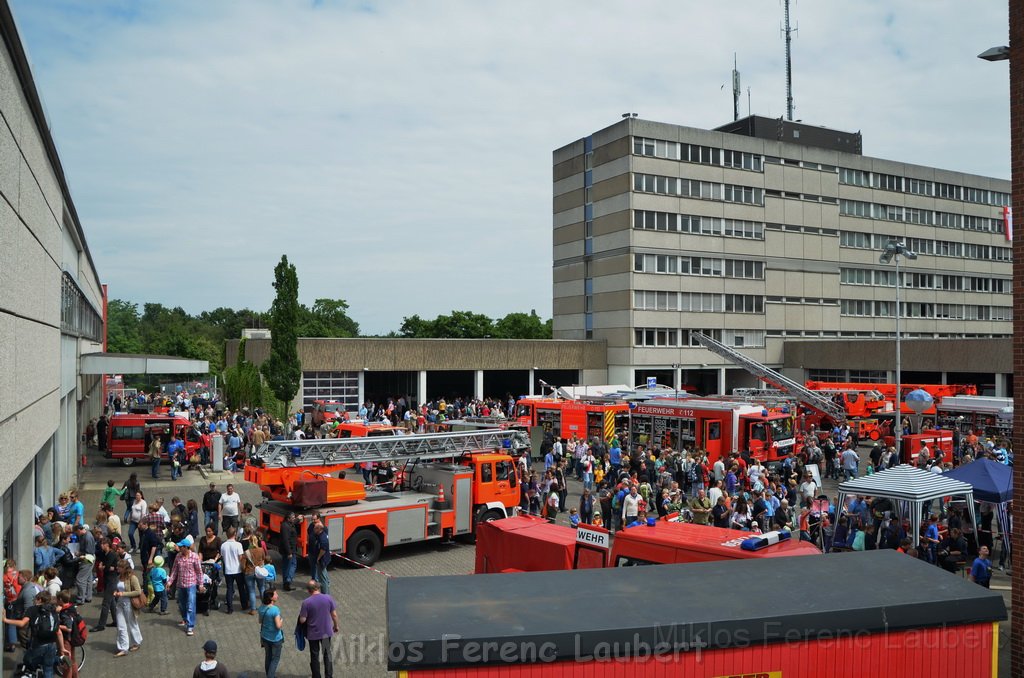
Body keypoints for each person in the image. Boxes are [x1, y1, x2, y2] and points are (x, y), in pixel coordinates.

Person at [1, 589, 68, 678]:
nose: (34, 600)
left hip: (39, 644)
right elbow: (58, 632)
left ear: (39, 599)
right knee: (48, 668)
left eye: (35, 598)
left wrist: (6, 620)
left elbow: (22, 623)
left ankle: (55, 660)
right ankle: (59, 659)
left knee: (27, 659)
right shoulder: (52, 610)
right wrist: (62, 648)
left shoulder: (32, 609)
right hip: (52, 644)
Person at [298, 579, 339, 678]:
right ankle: (328, 675)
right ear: (318, 587)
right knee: (327, 654)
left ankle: (316, 676)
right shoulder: (328, 598)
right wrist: (336, 625)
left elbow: (302, 620)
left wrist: (301, 617)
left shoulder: (306, 602)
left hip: (313, 634)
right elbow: (334, 615)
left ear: (308, 590)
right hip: (326, 632)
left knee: (314, 655)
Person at [167, 536, 205, 636]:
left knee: (191, 605)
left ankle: (190, 626)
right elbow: (174, 571)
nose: (179, 548)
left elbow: (199, 572)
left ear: (186, 547)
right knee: (182, 605)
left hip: (191, 584)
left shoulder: (195, 557)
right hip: (181, 585)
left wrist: (200, 584)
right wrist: (170, 582)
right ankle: (185, 619)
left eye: (181, 547)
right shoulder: (178, 557)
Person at [111, 559, 142, 657]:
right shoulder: (118, 577)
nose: (117, 568)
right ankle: (123, 648)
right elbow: (118, 588)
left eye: (119, 567)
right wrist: (116, 592)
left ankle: (137, 642)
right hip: (120, 603)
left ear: (124, 568)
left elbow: (138, 591)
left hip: (129, 603)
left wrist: (123, 593)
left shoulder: (132, 578)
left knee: (132, 623)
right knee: (121, 626)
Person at [91, 538, 119, 632]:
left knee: (105, 603)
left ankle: (101, 624)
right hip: (107, 579)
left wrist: (104, 567)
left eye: (102, 544)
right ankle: (116, 621)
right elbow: (103, 562)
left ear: (107, 544)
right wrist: (103, 566)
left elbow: (107, 566)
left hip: (112, 580)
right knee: (111, 602)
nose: (101, 546)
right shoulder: (104, 553)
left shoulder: (111, 554)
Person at [220, 527, 247, 614]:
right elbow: (240, 558)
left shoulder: (223, 545)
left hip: (228, 570)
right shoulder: (238, 545)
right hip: (238, 570)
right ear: (235, 534)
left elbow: (223, 557)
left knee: (229, 589)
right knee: (241, 588)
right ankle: (244, 605)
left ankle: (230, 608)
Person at [258, 588, 285, 678]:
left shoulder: (261, 607)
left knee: (268, 657)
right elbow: (278, 626)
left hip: (265, 637)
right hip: (275, 639)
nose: (277, 596)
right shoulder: (275, 610)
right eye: (275, 594)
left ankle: (269, 675)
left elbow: (260, 621)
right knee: (275, 659)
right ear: (271, 597)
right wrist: (281, 620)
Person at [243, 535, 268, 615]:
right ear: (257, 541)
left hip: (249, 572)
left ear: (250, 542)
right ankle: (265, 606)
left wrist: (244, 570)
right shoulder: (261, 550)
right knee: (262, 588)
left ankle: (253, 609)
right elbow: (264, 558)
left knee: (251, 591)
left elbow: (243, 564)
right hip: (259, 571)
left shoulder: (247, 552)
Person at [309, 523, 331, 595]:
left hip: (322, 560)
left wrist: (318, 558)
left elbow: (323, 550)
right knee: (324, 576)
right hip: (322, 559)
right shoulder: (319, 535)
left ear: (319, 529)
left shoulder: (323, 538)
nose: (313, 529)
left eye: (315, 528)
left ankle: (325, 594)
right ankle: (327, 592)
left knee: (322, 579)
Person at [279, 512, 298, 591]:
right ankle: (287, 581)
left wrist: (297, 519)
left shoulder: (287, 524)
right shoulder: (285, 527)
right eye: (292, 518)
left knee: (288, 565)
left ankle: (286, 583)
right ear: (288, 518)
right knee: (290, 565)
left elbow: (293, 523)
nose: (294, 519)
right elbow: (285, 540)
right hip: (289, 550)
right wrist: (289, 552)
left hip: (291, 549)